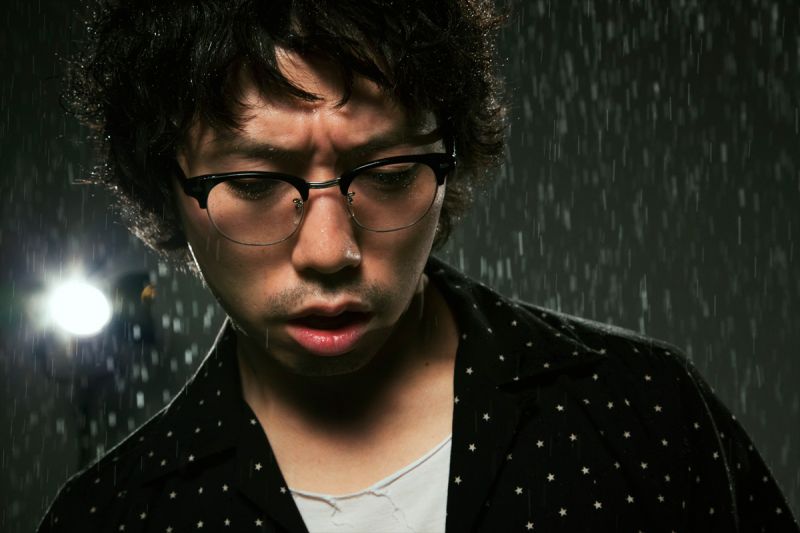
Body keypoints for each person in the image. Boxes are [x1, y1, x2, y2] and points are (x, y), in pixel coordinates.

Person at [39, 0, 798, 532]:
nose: (330, 251)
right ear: (166, 190)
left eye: (390, 171)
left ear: (448, 164)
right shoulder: (107, 517)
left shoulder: (646, 413)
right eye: (256, 184)